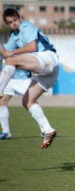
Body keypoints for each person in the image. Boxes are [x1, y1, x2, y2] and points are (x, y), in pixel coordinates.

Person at [0, 8, 59, 148]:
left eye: (15, 20)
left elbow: (32, 46)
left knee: (11, 61)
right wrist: (7, 52)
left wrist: (12, 53)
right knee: (27, 101)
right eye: (10, 22)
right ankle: (47, 129)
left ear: (19, 18)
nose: (13, 24)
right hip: (48, 72)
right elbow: (5, 53)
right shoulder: (14, 36)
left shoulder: (26, 26)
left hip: (48, 57)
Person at [0, 58, 33, 139]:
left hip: (23, 79)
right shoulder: (4, 49)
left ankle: (45, 129)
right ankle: (6, 132)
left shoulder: (24, 47)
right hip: (8, 80)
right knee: (2, 102)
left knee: (32, 101)